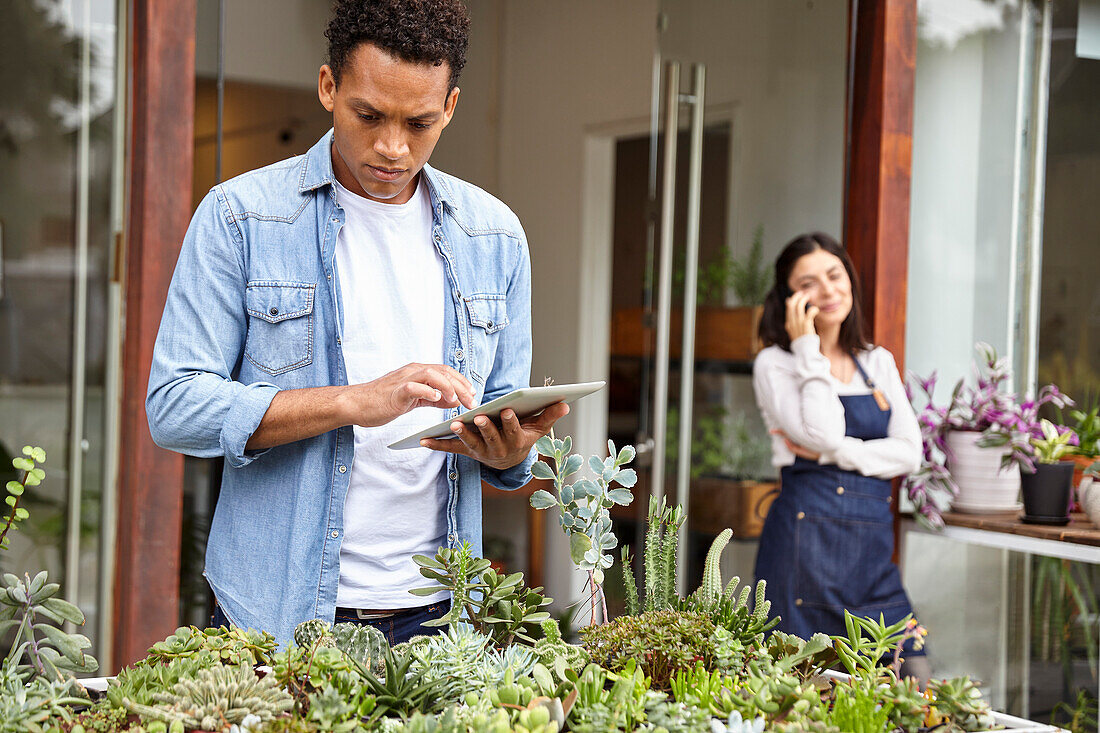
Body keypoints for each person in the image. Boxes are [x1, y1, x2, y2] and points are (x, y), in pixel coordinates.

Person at [146, 0, 567, 646]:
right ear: (328, 87)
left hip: (440, 620)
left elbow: (505, 441)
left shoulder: (496, 237)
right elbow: (174, 405)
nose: (392, 147)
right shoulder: (241, 217)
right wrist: (351, 401)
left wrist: (511, 452)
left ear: (450, 107)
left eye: (420, 122)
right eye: (368, 115)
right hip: (278, 615)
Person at [751, 232, 930, 682]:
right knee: (806, 697)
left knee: (915, 679)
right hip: (803, 552)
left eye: (835, 275)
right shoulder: (776, 363)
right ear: (790, 297)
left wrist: (840, 451)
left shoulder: (878, 361)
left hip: (871, 560)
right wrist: (808, 348)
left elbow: (910, 453)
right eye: (809, 282)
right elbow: (823, 429)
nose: (828, 290)